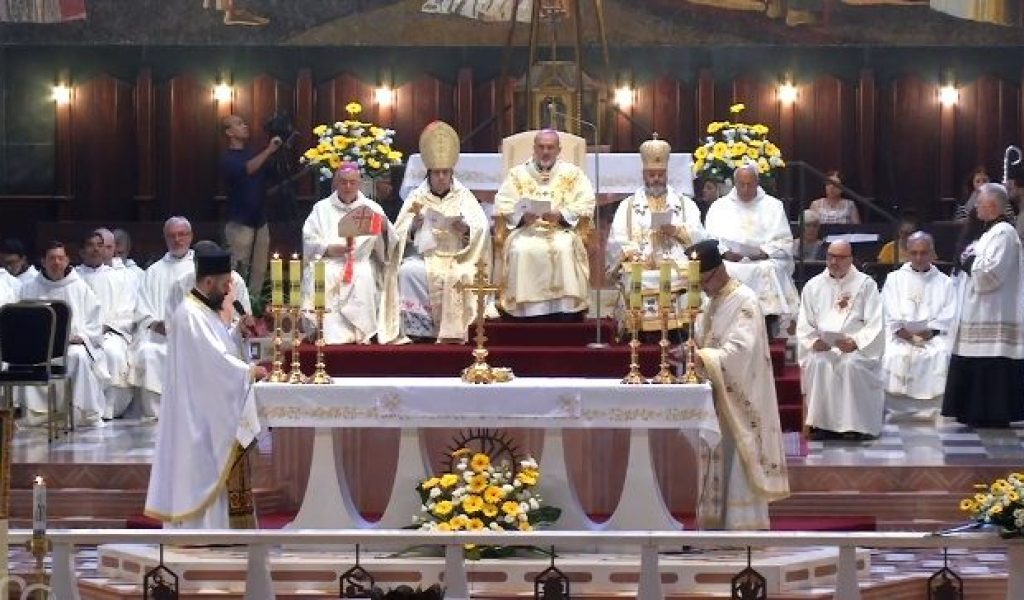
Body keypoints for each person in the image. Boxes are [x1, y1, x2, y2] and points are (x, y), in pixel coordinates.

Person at [145, 244, 267, 529]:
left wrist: (237, 332)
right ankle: (202, 529)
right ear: (209, 282)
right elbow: (215, 363)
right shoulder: (189, 314)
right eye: (225, 285)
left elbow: (219, 346)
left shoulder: (204, 311)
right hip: (195, 416)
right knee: (203, 468)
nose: (228, 292)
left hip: (203, 408)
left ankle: (221, 527)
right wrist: (249, 371)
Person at [686, 239, 789, 530]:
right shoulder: (711, 302)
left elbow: (741, 350)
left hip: (739, 392)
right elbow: (704, 340)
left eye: (704, 281)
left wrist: (703, 357)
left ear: (718, 272)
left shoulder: (745, 301)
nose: (703, 288)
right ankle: (715, 521)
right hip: (717, 393)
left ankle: (743, 522)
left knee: (737, 458)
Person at [379, 121, 490, 344]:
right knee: (407, 272)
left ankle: (451, 330)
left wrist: (467, 229)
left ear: (451, 173)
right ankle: (420, 330)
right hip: (425, 256)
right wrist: (413, 227)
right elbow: (398, 231)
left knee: (456, 276)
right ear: (428, 174)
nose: (441, 177)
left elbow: (482, 227)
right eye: (437, 173)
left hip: (458, 256)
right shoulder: (417, 197)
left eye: (445, 173)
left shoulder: (464, 196)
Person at [942, 184, 1024, 428]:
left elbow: (990, 274)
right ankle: (973, 411)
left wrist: (969, 261)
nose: (975, 207)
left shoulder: (1004, 234)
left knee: (990, 363)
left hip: (992, 313)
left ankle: (990, 413)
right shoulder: (990, 233)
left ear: (992, 206)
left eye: (979, 202)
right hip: (977, 310)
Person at [494, 129, 595, 321]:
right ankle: (525, 311)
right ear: (534, 149)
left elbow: (586, 202)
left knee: (564, 248)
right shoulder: (517, 174)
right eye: (541, 147)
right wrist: (522, 216)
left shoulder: (573, 174)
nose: (545, 152)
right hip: (526, 230)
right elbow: (503, 204)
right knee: (521, 249)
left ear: (558, 150)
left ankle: (564, 310)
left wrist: (562, 214)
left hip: (561, 230)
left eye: (550, 147)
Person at [607, 135, 705, 334]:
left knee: (686, 274)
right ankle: (639, 329)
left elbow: (700, 237)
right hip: (642, 260)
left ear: (667, 174)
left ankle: (681, 327)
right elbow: (616, 239)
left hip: (676, 259)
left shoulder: (685, 204)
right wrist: (632, 253)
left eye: (660, 174)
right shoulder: (628, 206)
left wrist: (676, 230)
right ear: (644, 175)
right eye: (651, 174)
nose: (656, 179)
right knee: (636, 274)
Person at [797, 240, 885, 440]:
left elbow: (876, 322)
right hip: (824, 346)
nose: (834, 261)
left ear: (851, 259)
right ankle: (821, 426)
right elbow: (804, 322)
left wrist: (855, 342)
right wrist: (813, 342)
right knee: (820, 363)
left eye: (840, 257)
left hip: (855, 348)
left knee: (850, 366)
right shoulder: (813, 286)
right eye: (830, 256)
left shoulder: (865, 284)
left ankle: (855, 426)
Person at [302, 163, 395, 344]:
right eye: (343, 182)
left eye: (352, 182)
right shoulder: (321, 209)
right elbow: (308, 240)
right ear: (336, 183)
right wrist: (328, 249)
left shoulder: (371, 208)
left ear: (359, 184)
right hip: (329, 261)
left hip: (359, 263)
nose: (348, 187)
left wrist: (385, 229)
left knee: (364, 275)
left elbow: (388, 244)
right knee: (323, 275)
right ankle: (325, 332)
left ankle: (360, 332)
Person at [19, 241, 108, 427]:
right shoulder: (29, 289)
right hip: (39, 349)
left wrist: (81, 337)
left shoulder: (79, 287)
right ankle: (38, 415)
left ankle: (78, 413)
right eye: (52, 258)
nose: (56, 263)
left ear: (68, 260)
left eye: (61, 258)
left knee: (79, 357)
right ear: (43, 261)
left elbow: (95, 322)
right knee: (26, 360)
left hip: (71, 347)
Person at [704, 163, 800, 329]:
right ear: (735, 184)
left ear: (758, 183)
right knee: (721, 269)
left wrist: (763, 253)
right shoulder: (720, 206)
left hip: (763, 260)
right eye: (742, 184)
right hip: (730, 261)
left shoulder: (773, 206)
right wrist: (725, 253)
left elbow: (783, 241)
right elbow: (709, 238)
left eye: (750, 184)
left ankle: (767, 322)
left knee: (768, 269)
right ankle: (725, 321)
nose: (746, 189)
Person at [880, 232, 955, 420]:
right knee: (894, 354)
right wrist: (903, 332)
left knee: (940, 354)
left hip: (933, 336)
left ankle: (933, 407)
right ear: (907, 253)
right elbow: (888, 310)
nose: (919, 258)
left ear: (932, 253)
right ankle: (895, 408)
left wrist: (931, 331)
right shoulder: (894, 279)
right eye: (914, 253)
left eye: (924, 253)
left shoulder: (945, 282)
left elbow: (950, 313)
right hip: (899, 335)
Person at [131, 217, 195, 418]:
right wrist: (153, 323)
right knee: (149, 353)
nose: (177, 240)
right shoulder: (153, 272)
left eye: (182, 234)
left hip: (193, 335)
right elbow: (142, 309)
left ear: (190, 236)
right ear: (165, 239)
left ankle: (190, 411)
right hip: (160, 335)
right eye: (172, 236)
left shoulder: (200, 268)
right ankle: (155, 413)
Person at [75, 231, 137, 419]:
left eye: (99, 245)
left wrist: (106, 326)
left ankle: (109, 409)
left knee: (112, 353)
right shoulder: (74, 278)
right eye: (90, 245)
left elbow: (127, 309)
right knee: (80, 356)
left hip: (111, 332)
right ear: (81, 251)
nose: (95, 249)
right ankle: (84, 409)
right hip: (81, 334)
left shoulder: (120, 277)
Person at [221, 114, 281, 297]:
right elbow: (247, 169)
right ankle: (234, 307)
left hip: (260, 219)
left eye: (244, 122)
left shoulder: (253, 152)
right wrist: (269, 150)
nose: (245, 126)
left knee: (259, 270)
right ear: (229, 132)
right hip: (240, 221)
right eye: (239, 124)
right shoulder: (227, 158)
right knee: (237, 269)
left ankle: (254, 307)